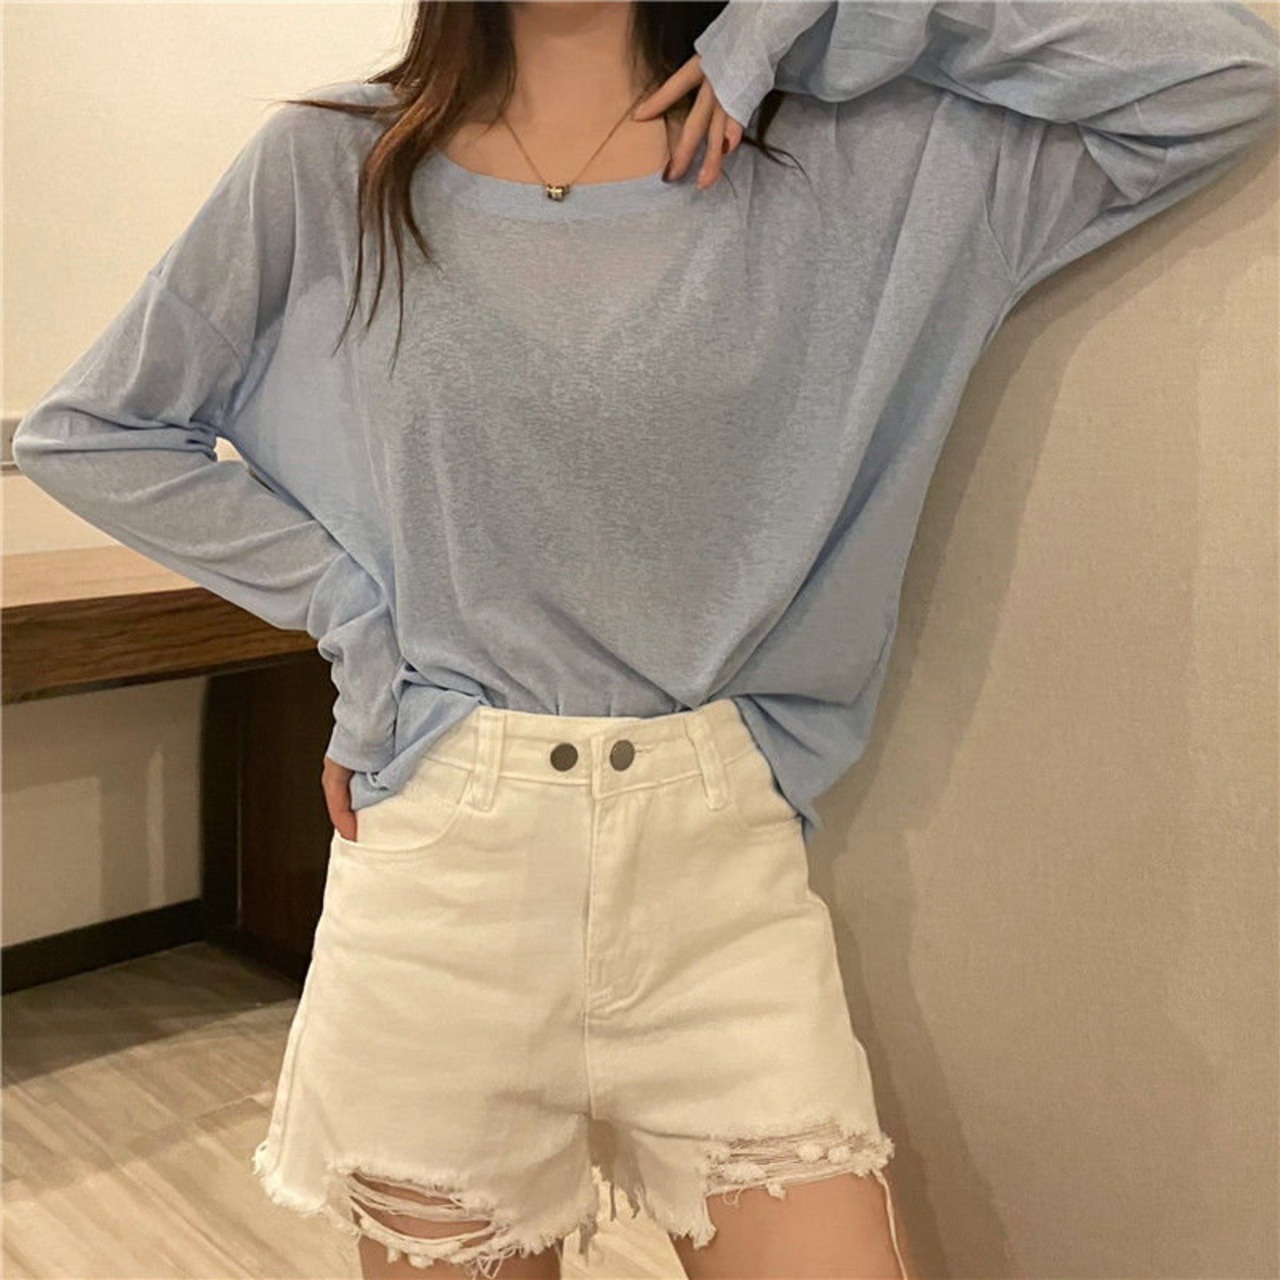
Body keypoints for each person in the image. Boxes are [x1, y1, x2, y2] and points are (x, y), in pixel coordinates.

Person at [12, 2, 1279, 1278]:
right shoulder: (337, 160)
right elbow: (97, 430)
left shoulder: (868, 151)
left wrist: (797, 21)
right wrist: (356, 617)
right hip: (447, 872)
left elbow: (1223, 74)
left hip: (717, 874)